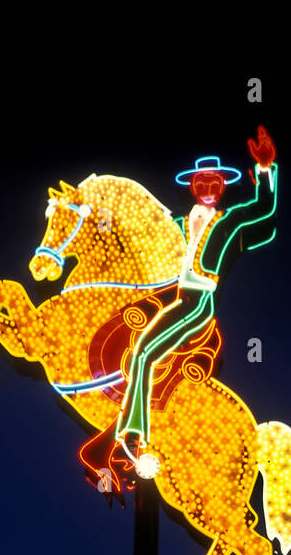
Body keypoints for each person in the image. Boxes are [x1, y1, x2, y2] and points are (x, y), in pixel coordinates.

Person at [113, 126, 278, 463]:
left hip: (199, 301)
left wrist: (264, 169)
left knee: (144, 352)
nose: (207, 189)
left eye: (214, 183)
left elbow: (264, 207)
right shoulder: (175, 223)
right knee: (137, 346)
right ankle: (133, 414)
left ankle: (133, 432)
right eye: (201, 183)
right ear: (191, 185)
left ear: (223, 186)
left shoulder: (229, 222)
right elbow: (141, 242)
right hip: (173, 295)